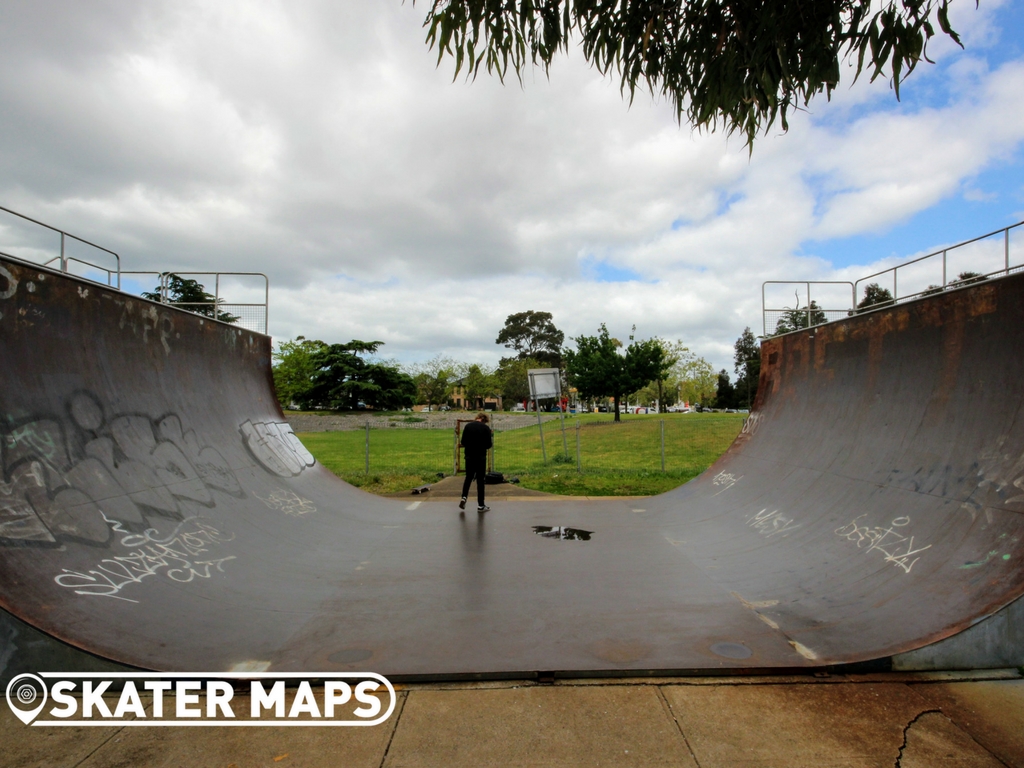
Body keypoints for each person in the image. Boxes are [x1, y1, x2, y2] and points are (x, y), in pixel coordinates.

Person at [460, 413, 493, 512]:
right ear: (484, 420)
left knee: (468, 478)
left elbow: (463, 442)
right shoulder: (486, 428)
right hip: (480, 457)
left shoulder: (468, 426)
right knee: (480, 481)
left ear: (477, 418)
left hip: (469, 457)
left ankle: (464, 497)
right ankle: (481, 505)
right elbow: (488, 445)